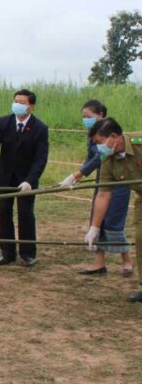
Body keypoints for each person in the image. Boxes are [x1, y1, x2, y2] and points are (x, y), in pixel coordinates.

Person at [59, 101, 132, 276]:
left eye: (88, 117)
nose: (85, 120)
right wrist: (76, 177)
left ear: (100, 114)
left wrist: (77, 175)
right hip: (103, 180)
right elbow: (91, 157)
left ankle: (127, 261)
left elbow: (99, 157)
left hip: (120, 181)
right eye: (83, 117)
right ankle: (99, 263)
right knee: (96, 220)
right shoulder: (93, 135)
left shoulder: (111, 136)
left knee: (114, 221)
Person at [0, 89, 49, 267]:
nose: (18, 105)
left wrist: (30, 180)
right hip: (4, 176)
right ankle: (7, 252)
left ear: (31, 107)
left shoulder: (40, 128)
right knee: (4, 212)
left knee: (25, 214)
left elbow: (41, 158)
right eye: (16, 101)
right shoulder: (3, 122)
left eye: (22, 102)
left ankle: (28, 253)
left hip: (26, 179)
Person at [85, 118, 142, 302]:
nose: (98, 148)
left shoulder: (139, 142)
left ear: (113, 137)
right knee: (141, 239)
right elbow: (104, 195)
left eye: (100, 143)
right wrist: (94, 227)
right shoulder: (108, 159)